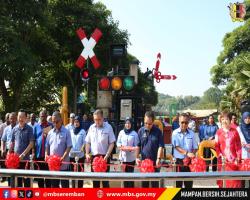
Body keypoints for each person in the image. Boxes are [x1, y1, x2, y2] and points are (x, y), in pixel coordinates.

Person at [85, 109, 115, 188]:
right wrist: (87, 153)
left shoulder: (108, 127)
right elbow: (88, 142)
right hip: (94, 158)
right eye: (95, 119)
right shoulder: (91, 128)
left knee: (105, 182)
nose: (97, 121)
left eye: (99, 119)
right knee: (95, 182)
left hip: (105, 157)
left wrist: (107, 155)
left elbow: (112, 143)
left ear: (103, 118)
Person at [137, 111, 164, 188]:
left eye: (150, 124)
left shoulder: (158, 131)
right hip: (144, 163)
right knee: (144, 186)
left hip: (155, 163)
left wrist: (158, 158)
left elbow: (160, 146)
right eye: (146, 123)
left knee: (155, 186)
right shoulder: (140, 131)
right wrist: (136, 157)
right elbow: (138, 146)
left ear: (153, 122)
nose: (147, 125)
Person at [45, 111, 72, 188]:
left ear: (61, 120)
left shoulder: (66, 132)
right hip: (53, 166)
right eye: (53, 122)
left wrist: (62, 158)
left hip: (63, 165)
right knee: (54, 187)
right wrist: (46, 154)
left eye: (57, 122)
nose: (55, 124)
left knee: (64, 187)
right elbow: (47, 146)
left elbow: (69, 146)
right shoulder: (50, 133)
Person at [215, 111, 242, 188]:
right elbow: (216, 146)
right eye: (222, 119)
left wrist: (238, 157)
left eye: (226, 119)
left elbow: (239, 146)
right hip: (222, 161)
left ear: (230, 120)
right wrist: (220, 155)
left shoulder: (235, 131)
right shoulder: (218, 132)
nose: (224, 121)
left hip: (234, 161)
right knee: (222, 182)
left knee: (234, 182)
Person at [9, 110, 35, 187]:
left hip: (25, 159)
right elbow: (12, 143)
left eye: (23, 117)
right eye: (19, 117)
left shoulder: (30, 129)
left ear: (26, 118)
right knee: (17, 181)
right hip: (16, 160)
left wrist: (23, 155)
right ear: (17, 118)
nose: (21, 119)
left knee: (26, 181)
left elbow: (31, 143)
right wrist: (9, 153)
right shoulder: (15, 129)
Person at [172, 113, 198, 188]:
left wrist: (191, 155)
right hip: (178, 161)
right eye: (182, 122)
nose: (184, 124)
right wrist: (187, 153)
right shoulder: (175, 133)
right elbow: (176, 146)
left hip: (189, 162)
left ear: (188, 123)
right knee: (178, 185)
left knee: (189, 184)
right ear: (179, 122)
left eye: (186, 122)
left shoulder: (192, 134)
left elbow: (195, 147)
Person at [117, 117, 139, 188]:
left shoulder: (134, 134)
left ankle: (131, 193)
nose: (127, 125)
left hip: (131, 158)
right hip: (122, 158)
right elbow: (118, 142)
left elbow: (136, 145)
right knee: (124, 177)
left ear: (131, 124)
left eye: (129, 123)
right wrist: (120, 146)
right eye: (126, 123)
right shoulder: (121, 132)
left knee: (130, 177)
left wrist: (132, 149)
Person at [33, 110, 53, 188]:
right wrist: (33, 152)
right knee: (40, 175)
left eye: (44, 116)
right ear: (39, 116)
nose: (43, 117)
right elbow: (33, 140)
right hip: (39, 154)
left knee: (48, 175)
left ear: (46, 116)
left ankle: (47, 192)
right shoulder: (36, 126)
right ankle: (41, 191)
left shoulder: (51, 125)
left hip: (48, 154)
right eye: (41, 116)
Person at [69, 116, 86, 188]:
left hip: (80, 155)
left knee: (80, 174)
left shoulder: (83, 131)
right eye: (75, 122)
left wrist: (82, 147)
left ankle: (80, 190)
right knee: (73, 174)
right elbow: (69, 142)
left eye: (77, 122)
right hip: (72, 155)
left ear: (80, 122)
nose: (76, 123)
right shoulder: (71, 131)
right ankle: (73, 189)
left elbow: (85, 142)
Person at [1, 112, 17, 184]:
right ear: (9, 119)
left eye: (13, 118)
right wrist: (2, 149)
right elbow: (3, 140)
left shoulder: (18, 128)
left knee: (16, 170)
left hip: (16, 151)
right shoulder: (6, 129)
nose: (12, 120)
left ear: (16, 119)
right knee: (9, 170)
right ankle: (10, 186)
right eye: (11, 118)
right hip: (8, 151)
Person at [236, 112, 250, 188]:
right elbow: (236, 140)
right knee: (243, 173)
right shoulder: (239, 128)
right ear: (243, 118)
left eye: (249, 118)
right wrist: (240, 143)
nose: (247, 120)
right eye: (246, 118)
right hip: (243, 154)